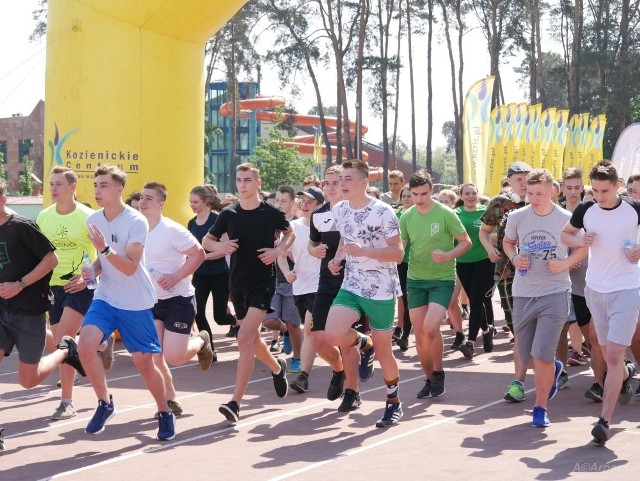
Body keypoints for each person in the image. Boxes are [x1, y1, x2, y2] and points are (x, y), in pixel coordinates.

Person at [77, 164, 175, 441]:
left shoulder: (136, 221)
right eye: (95, 185)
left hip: (135, 301)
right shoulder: (93, 219)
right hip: (106, 297)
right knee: (85, 346)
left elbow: (130, 266)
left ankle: (164, 411)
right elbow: (103, 262)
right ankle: (104, 403)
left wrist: (104, 250)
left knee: (144, 364)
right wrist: (91, 271)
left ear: (119, 189)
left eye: (103, 186)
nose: (97, 190)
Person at [203, 163, 294, 423]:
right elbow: (206, 241)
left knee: (243, 338)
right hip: (237, 284)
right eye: (238, 180)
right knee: (252, 341)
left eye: (247, 180)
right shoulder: (229, 213)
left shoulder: (271, 212)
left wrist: (277, 252)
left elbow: (290, 234)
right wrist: (221, 244)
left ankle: (235, 402)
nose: (242, 185)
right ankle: (278, 368)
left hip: (263, 283)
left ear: (258, 183)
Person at [0, 177, 86, 444]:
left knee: (28, 381)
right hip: (1, 310)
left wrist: (20, 284)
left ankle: (65, 351)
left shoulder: (21, 227)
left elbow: (52, 259)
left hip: (29, 310)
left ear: (3, 200)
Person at [561, 160, 640, 445]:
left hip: (627, 288)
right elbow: (565, 234)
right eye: (594, 190)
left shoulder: (633, 209)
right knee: (608, 355)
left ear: (618, 186)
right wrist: (581, 239)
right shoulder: (585, 210)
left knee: (615, 355)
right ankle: (628, 372)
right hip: (596, 289)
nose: (599, 196)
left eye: (604, 190)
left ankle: (604, 421)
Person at [325, 160, 405, 428]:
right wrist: (337, 259)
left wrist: (366, 252)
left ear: (363, 183)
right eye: (339, 179)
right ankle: (363, 343)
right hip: (352, 284)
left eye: (347, 179)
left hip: (381, 289)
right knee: (333, 333)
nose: (341, 184)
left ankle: (393, 403)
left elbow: (398, 253)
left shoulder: (383, 212)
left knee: (385, 352)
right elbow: (346, 241)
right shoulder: (340, 210)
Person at [502, 168, 579, 428]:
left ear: (552, 192)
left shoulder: (567, 218)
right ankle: (554, 369)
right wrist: (514, 258)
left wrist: (566, 263)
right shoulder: (517, 216)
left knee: (543, 353)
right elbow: (508, 242)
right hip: (524, 292)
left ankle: (540, 407)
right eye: (530, 193)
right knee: (526, 357)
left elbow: (583, 247)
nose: (533, 198)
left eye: (539, 194)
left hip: (556, 291)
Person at [291, 165, 363, 412]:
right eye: (328, 183)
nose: (333, 187)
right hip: (325, 282)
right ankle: (339, 370)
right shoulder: (319, 214)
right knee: (319, 339)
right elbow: (312, 245)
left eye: (337, 182)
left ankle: (353, 392)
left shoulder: (356, 211)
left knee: (342, 338)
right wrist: (315, 251)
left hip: (352, 282)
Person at [138, 182, 211, 417]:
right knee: (154, 355)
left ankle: (201, 341)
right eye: (142, 197)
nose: (143, 201)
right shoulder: (135, 230)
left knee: (174, 356)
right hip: (151, 301)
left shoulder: (172, 230)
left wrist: (176, 276)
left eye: (149, 198)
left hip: (178, 299)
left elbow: (198, 254)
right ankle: (170, 399)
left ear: (161, 204)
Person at [37, 166, 101, 420]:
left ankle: (66, 402)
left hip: (79, 284)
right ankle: (97, 343)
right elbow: (40, 253)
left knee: (63, 339)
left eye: (58, 184)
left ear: (73, 187)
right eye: (51, 184)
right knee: (57, 342)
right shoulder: (43, 216)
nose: (53, 188)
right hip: (52, 285)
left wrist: (88, 279)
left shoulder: (89, 217)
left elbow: (104, 255)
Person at [400, 170, 471, 398]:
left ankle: (439, 371)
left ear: (432, 190)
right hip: (416, 279)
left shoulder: (445, 213)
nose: (419, 199)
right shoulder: (407, 216)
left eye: (424, 193)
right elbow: (400, 248)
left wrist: (449, 255)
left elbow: (465, 242)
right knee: (420, 334)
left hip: (442, 279)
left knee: (431, 327)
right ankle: (429, 378)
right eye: (415, 194)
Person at [479, 161, 531, 403]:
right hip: (508, 271)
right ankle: (519, 381)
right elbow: (483, 230)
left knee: (543, 327)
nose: (523, 183)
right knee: (517, 326)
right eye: (518, 178)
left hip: (541, 273)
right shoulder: (500, 203)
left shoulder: (539, 198)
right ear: (508, 180)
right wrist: (490, 248)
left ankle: (549, 369)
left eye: (526, 178)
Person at [277, 187, 323, 394]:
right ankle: (354, 349)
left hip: (321, 286)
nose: (305, 205)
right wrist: (287, 273)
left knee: (310, 331)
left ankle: (303, 376)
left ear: (320, 206)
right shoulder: (292, 227)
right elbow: (281, 254)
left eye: (310, 202)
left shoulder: (327, 227)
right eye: (303, 201)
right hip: (300, 287)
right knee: (318, 333)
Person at [188, 185, 237, 346]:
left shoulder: (217, 219)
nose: (192, 205)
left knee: (220, 317)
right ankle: (209, 349)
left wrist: (204, 257)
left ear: (206, 201)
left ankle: (236, 322)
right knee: (198, 313)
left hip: (219, 274)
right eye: (190, 202)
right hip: (200, 275)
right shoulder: (191, 223)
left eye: (195, 202)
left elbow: (225, 249)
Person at [264, 186, 303, 372]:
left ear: (292, 203)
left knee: (294, 323)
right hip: (270, 279)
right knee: (268, 321)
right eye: (276, 200)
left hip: (291, 280)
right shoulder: (268, 222)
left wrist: (287, 254)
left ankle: (297, 357)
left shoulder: (299, 225)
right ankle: (284, 332)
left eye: (283, 201)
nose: (279, 205)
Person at [454, 183, 495, 357]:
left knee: (476, 301)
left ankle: (470, 342)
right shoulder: (455, 214)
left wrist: (494, 250)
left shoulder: (485, 213)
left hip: (483, 261)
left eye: (474, 193)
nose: (471, 196)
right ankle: (486, 331)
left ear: (478, 195)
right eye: (467, 194)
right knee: (474, 298)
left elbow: (494, 233)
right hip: (462, 262)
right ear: (461, 196)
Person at [394, 185, 414, 351]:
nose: (407, 198)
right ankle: (405, 335)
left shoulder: (420, 213)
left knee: (411, 299)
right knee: (405, 299)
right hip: (401, 263)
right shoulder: (396, 215)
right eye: (404, 196)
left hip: (419, 263)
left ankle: (407, 333)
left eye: (410, 195)